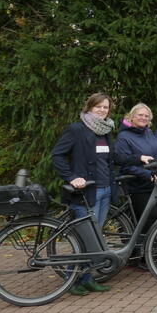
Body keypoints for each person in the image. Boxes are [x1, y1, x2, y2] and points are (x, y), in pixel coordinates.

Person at [51, 93, 117, 295]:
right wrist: (71, 177)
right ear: (89, 108)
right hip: (86, 192)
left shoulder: (105, 131)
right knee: (85, 238)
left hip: (105, 190)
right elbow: (57, 156)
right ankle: (73, 280)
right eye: (98, 107)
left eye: (105, 108)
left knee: (94, 238)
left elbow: (110, 161)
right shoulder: (77, 129)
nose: (102, 110)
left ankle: (87, 278)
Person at [116, 103, 157, 265]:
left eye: (146, 116)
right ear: (132, 116)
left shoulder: (148, 133)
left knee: (148, 221)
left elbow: (155, 153)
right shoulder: (124, 137)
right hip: (136, 184)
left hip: (151, 183)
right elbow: (124, 163)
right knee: (147, 221)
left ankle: (140, 255)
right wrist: (146, 174)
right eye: (140, 115)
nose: (143, 118)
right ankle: (144, 258)